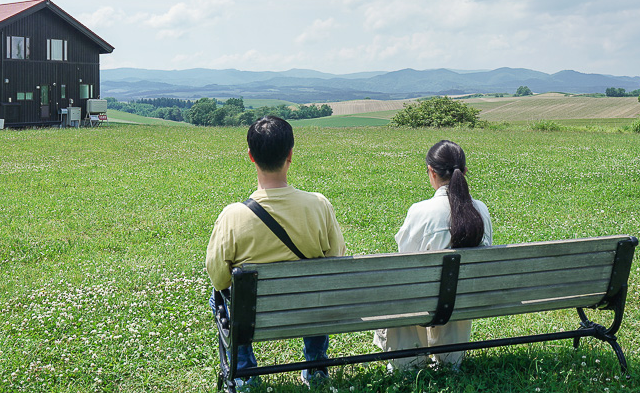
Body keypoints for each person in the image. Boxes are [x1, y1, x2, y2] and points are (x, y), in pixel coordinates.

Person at [206, 116, 346, 388]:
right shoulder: (319, 205)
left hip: (253, 314)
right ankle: (316, 366)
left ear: (250, 156)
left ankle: (246, 374)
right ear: (290, 155)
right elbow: (335, 263)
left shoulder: (232, 216)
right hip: (309, 308)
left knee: (219, 298)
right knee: (318, 290)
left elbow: (219, 279)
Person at [374, 139, 492, 371]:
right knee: (454, 288)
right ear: (465, 172)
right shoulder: (481, 209)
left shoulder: (421, 211)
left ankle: (407, 365)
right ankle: (450, 362)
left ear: (431, 171)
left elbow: (405, 260)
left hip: (425, 298)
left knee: (406, 288)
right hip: (468, 298)